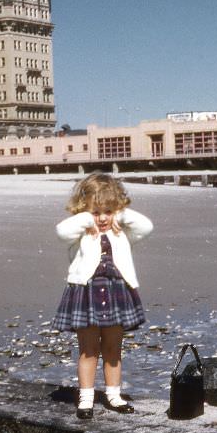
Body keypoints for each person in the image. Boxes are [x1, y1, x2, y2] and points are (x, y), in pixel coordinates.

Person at [53, 173, 153, 419]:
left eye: (108, 211)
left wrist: (122, 214)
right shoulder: (81, 232)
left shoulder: (122, 231)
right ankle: (86, 399)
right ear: (85, 211)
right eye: (96, 212)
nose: (103, 217)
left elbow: (147, 226)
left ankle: (113, 395)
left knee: (113, 348)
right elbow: (61, 230)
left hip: (117, 291)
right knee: (88, 349)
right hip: (86, 293)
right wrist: (86, 218)